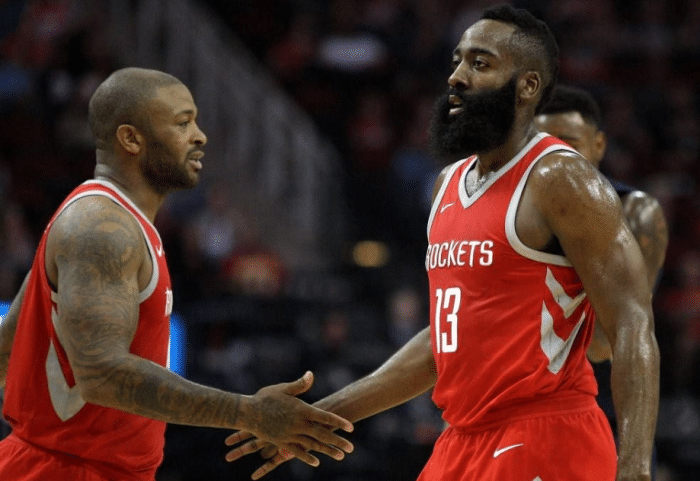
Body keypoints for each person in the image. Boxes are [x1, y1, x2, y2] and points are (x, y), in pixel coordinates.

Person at [225, 5, 659, 481]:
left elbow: (632, 321)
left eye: (480, 63)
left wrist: (636, 468)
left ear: (527, 86)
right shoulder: (446, 185)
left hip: (544, 432)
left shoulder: (560, 177)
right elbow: (444, 341)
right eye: (457, 60)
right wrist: (321, 414)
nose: (456, 76)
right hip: (461, 439)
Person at [0, 67, 354, 481]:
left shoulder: (113, 221)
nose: (200, 136)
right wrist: (248, 412)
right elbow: (101, 374)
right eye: (182, 123)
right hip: (64, 471)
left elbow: (7, 349)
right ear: (131, 139)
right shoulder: (100, 228)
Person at [534, 84, 669, 479]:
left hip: (605, 413)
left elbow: (600, 346)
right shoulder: (515, 214)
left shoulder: (636, 212)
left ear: (598, 145)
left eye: (569, 143)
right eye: (543, 145)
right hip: (520, 410)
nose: (555, 158)